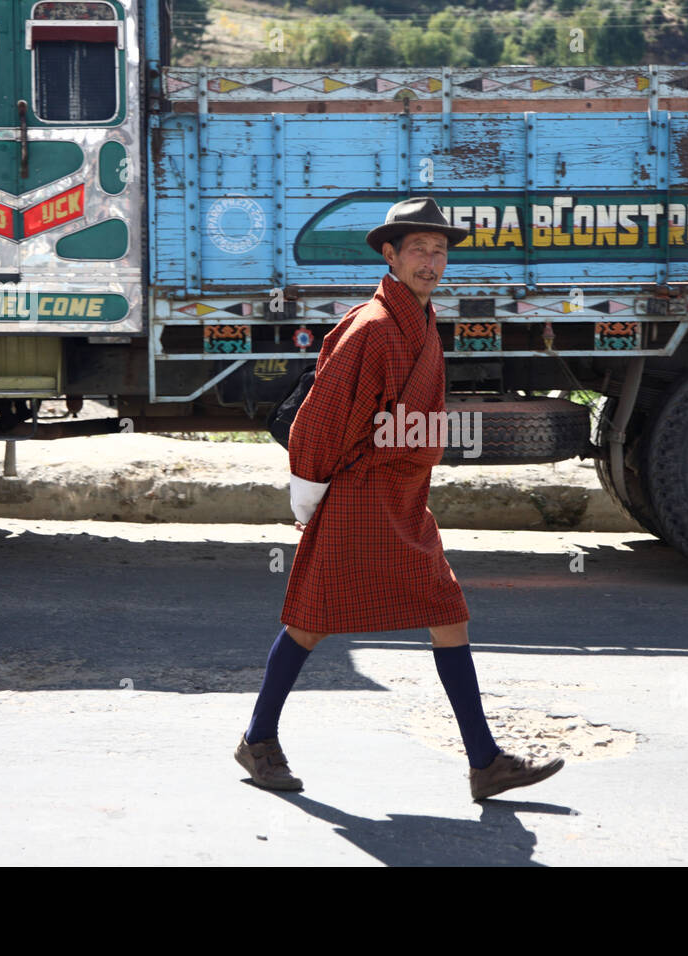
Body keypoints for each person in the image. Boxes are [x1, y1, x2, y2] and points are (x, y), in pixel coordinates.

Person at [235, 197, 565, 801]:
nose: (432, 262)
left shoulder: (418, 319)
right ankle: (258, 739)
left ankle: (485, 762)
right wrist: (308, 489)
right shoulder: (373, 328)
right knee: (311, 621)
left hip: (404, 497)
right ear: (391, 255)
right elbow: (321, 420)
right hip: (361, 495)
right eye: (420, 250)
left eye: (439, 251)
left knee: (447, 611)